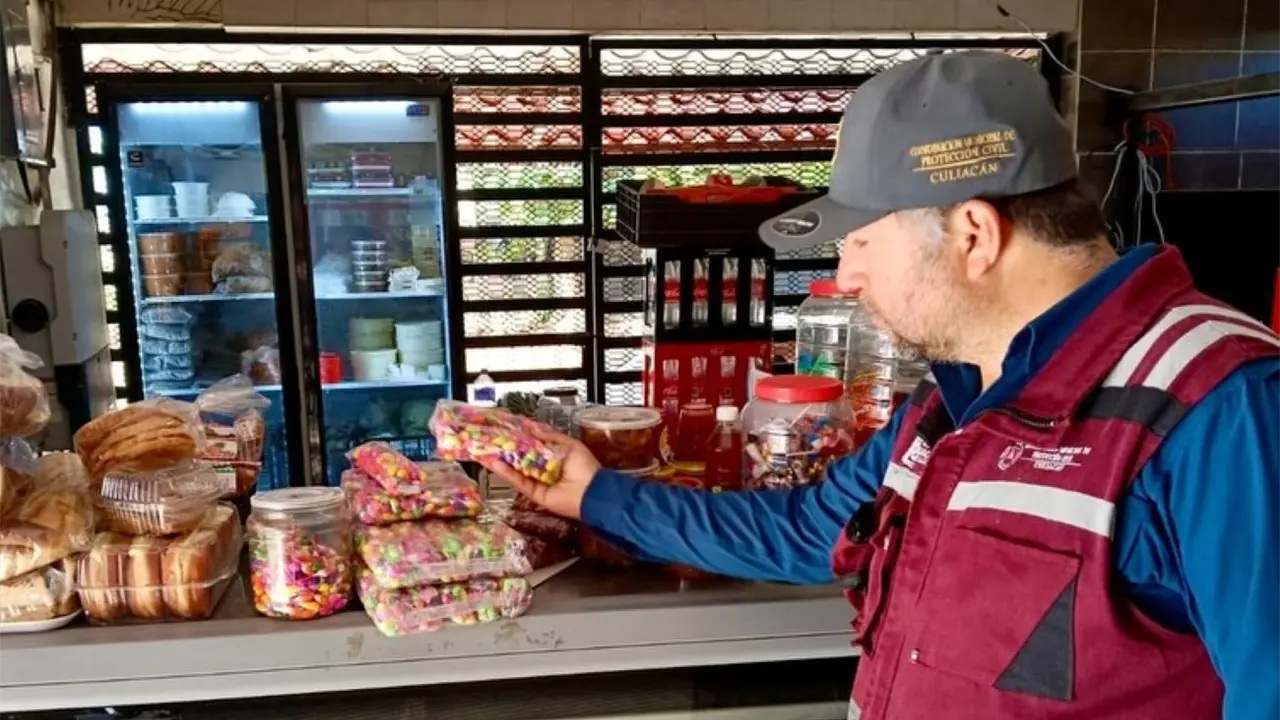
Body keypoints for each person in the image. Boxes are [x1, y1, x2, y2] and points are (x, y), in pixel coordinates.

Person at [480, 51, 1280, 719]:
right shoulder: (955, 406)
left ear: (973, 234)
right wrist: (592, 496)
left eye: (860, 240)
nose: (846, 275)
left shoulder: (1223, 406)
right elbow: (806, 530)